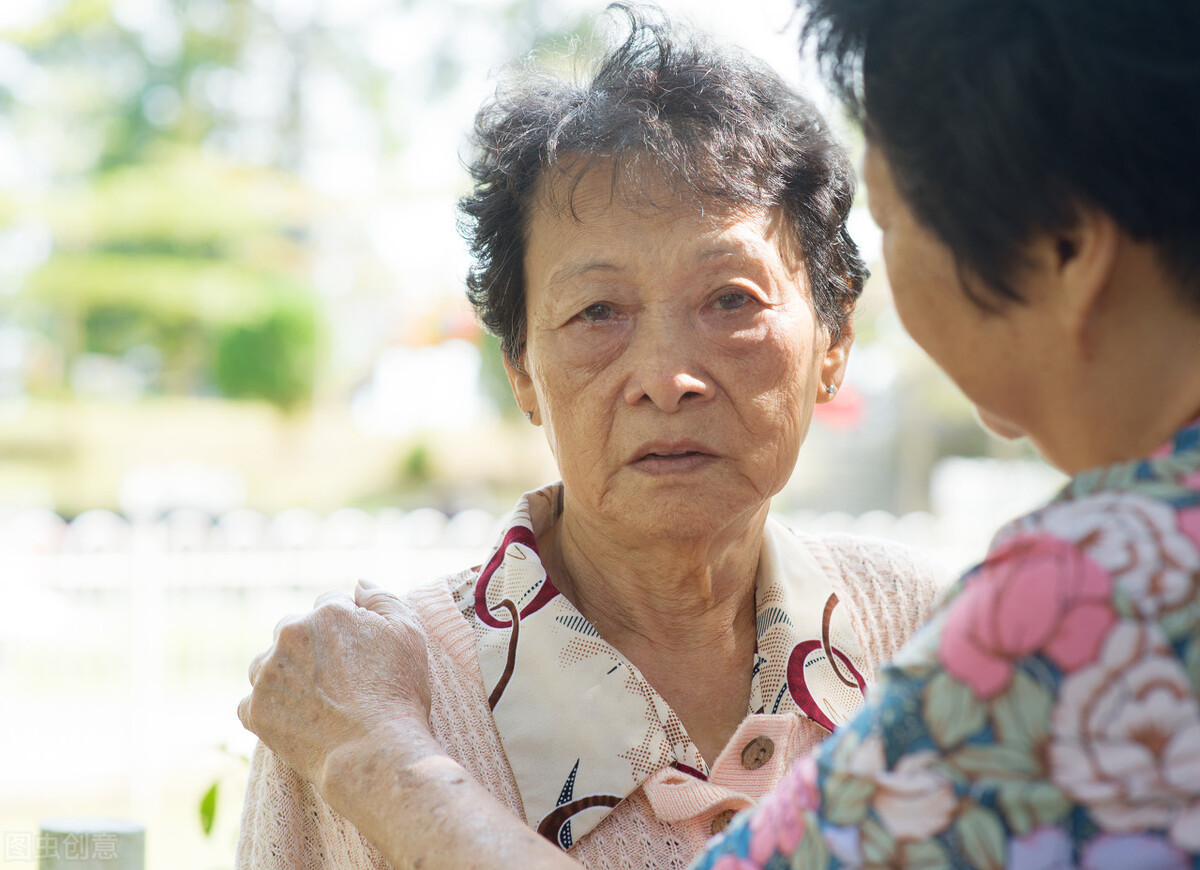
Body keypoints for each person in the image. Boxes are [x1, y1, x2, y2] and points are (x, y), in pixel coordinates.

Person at [241, 0, 1200, 866]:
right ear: (520, 369)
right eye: (596, 312)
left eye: (732, 299)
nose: (667, 378)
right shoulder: (365, 683)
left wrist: (386, 765)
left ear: (834, 337)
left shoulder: (950, 627)